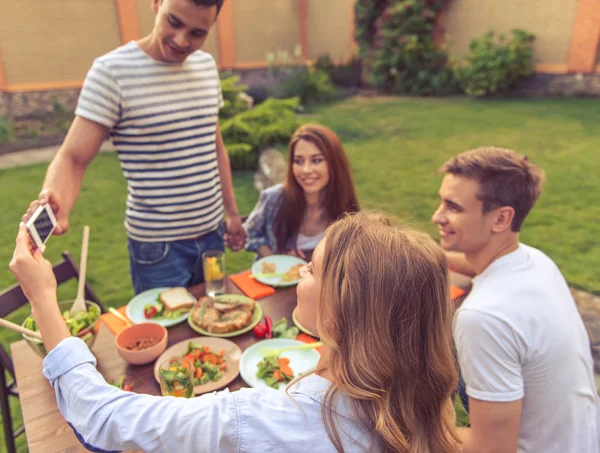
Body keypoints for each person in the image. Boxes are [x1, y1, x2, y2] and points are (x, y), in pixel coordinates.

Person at [10, 212, 460, 453]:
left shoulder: (256, 419)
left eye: (311, 268)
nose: (300, 270)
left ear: (340, 317)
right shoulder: (421, 403)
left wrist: (44, 299)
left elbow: (102, 421)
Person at [21, 0, 245, 294]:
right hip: (158, 250)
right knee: (163, 335)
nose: (182, 40)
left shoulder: (205, 66)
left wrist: (231, 213)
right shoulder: (112, 72)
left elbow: (214, 145)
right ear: (156, 4)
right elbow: (73, 158)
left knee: (214, 323)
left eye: (197, 32)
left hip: (212, 236)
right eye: (174, 22)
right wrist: (57, 203)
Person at [431, 147, 599, 453]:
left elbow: (491, 448)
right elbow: (479, 266)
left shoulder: (482, 316)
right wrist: (431, 255)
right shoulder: (535, 262)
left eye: (453, 207)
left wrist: (418, 417)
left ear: (500, 219)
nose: (436, 216)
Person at [243, 124, 359, 259]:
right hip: (277, 279)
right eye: (299, 161)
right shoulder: (273, 198)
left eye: (316, 160)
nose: (306, 170)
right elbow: (251, 232)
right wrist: (275, 260)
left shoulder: (347, 209)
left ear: (334, 163)